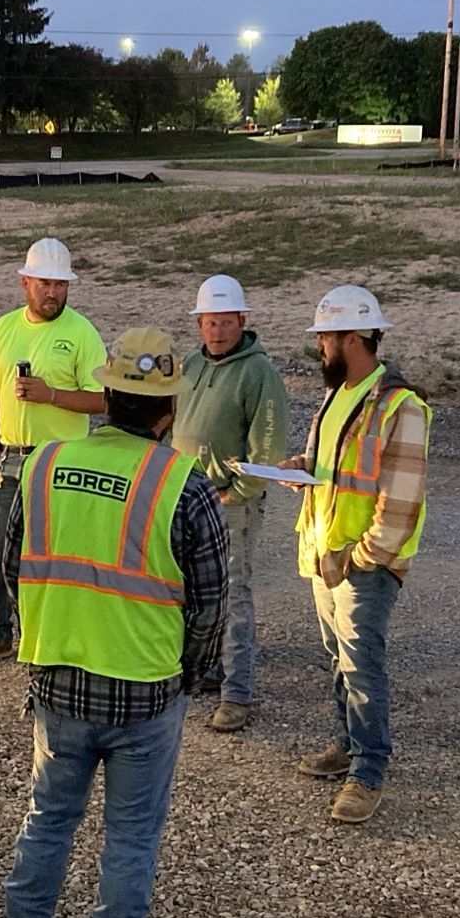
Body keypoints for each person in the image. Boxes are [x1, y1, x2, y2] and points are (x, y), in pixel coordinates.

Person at [1, 328, 228, 918]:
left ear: (105, 397)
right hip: (146, 694)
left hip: (59, 680)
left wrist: (48, 636)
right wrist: (192, 676)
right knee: (130, 840)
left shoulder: (43, 465)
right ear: (167, 412)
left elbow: (11, 566)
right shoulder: (185, 487)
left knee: (48, 819)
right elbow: (210, 604)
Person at [289, 285, 430, 826]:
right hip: (325, 553)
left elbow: (401, 500)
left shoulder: (400, 406)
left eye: (325, 336)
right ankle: (348, 746)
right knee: (338, 657)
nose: (320, 346)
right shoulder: (338, 394)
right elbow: (338, 465)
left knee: (361, 665)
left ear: (354, 337)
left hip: (361, 564)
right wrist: (301, 466)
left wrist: (363, 559)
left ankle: (368, 770)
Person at [0, 237, 109, 669]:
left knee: (53, 555)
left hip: (62, 462)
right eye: (45, 283)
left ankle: (47, 640)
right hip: (6, 459)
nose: (53, 293)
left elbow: (104, 400)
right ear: (25, 283)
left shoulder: (81, 333)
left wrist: (51, 396)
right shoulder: (2, 330)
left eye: (61, 285)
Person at [171, 273, 289, 732]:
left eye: (225, 321)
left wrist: (239, 492)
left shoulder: (259, 372)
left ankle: (237, 692)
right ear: (199, 324)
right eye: (209, 322)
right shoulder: (192, 365)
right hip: (187, 498)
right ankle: (206, 668)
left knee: (233, 594)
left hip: (229, 502)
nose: (217, 330)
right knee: (190, 590)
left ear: (242, 320)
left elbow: (268, 445)